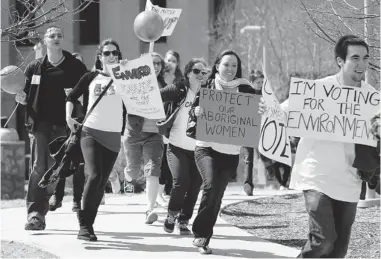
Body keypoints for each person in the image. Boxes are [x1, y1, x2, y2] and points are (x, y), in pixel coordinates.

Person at [259, 35, 370, 258]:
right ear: (340, 61)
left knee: (338, 252)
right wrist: (268, 110)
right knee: (323, 241)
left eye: (365, 58)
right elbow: (284, 113)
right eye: (355, 57)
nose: (362, 64)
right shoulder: (319, 90)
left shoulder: (372, 98)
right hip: (316, 175)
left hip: (350, 180)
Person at [15, 26, 87, 231]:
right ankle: (35, 214)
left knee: (55, 168)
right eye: (51, 35)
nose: (56, 38)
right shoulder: (35, 67)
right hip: (40, 124)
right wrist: (20, 98)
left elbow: (87, 91)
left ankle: (43, 204)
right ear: (45, 41)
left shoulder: (75, 66)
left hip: (66, 125)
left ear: (62, 40)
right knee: (39, 166)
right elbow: (24, 94)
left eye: (59, 35)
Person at [188, 49, 255, 254]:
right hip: (205, 147)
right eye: (226, 64)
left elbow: (253, 116)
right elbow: (193, 109)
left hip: (230, 152)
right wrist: (196, 111)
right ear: (217, 66)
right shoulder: (207, 85)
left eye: (234, 65)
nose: (230, 69)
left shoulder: (246, 89)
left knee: (216, 196)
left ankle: (204, 237)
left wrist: (259, 111)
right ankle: (200, 234)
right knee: (209, 185)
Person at [66, 38, 126, 241]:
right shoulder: (90, 77)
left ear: (119, 55)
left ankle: (88, 224)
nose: (111, 56)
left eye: (115, 53)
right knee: (94, 175)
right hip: (90, 132)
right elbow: (71, 97)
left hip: (113, 135)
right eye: (107, 53)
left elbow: (141, 100)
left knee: (101, 182)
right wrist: (69, 117)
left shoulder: (126, 79)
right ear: (100, 56)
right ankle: (84, 225)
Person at [162, 58, 208, 235]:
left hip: (199, 149)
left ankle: (184, 220)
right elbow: (156, 96)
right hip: (176, 145)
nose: (200, 75)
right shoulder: (179, 89)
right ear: (188, 73)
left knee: (195, 186)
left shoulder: (210, 93)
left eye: (204, 72)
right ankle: (172, 214)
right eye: (196, 71)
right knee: (181, 182)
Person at [122, 52, 168, 224]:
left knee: (153, 170)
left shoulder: (164, 85)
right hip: (134, 133)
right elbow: (120, 84)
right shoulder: (134, 79)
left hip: (154, 134)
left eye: (158, 63)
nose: (155, 66)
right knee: (133, 171)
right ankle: (128, 177)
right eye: (151, 63)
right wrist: (126, 67)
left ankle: (150, 208)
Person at [49, 52, 87, 212]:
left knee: (78, 164)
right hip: (62, 124)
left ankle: (77, 200)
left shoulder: (89, 81)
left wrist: (78, 97)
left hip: (82, 123)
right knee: (61, 160)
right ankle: (57, 197)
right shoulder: (63, 80)